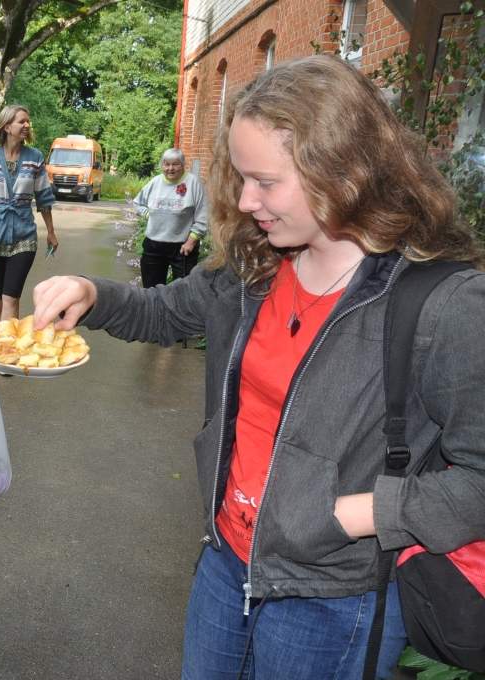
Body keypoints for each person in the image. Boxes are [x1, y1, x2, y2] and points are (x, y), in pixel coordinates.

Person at [32, 55, 485, 679]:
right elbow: (166, 313)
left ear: (345, 171)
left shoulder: (442, 303)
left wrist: (366, 513)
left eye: (265, 182)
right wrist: (91, 293)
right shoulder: (255, 265)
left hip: (334, 596)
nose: (246, 201)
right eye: (242, 179)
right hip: (225, 563)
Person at [0, 105, 57, 320]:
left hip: (24, 236)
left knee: (11, 298)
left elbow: (44, 198)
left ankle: (9, 347)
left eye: (27, 121)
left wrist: (51, 232)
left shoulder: (35, 158)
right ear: (7, 126)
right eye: (21, 121)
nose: (27, 125)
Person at [132, 148, 208, 288]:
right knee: (151, 290)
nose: (170, 168)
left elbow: (203, 214)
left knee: (184, 290)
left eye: (175, 164)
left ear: (183, 165)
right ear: (162, 165)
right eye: (166, 164)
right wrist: (149, 215)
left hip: (183, 247)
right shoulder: (155, 182)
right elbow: (137, 203)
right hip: (154, 245)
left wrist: (192, 240)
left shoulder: (193, 183)